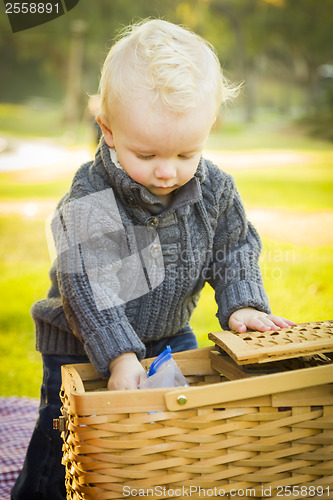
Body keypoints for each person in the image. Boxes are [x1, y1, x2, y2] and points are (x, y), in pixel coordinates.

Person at [12, 18, 295, 500]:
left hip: (169, 335)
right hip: (80, 343)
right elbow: (85, 284)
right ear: (108, 130)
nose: (167, 171)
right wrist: (120, 356)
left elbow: (234, 247)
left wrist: (243, 303)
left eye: (187, 153)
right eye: (146, 154)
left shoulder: (214, 189)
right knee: (69, 437)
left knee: (168, 428)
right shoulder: (90, 196)